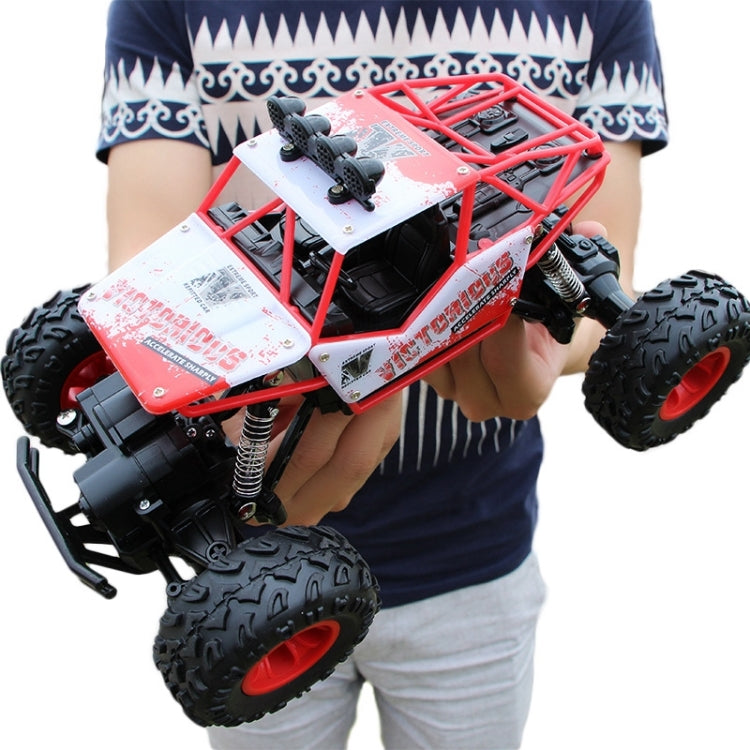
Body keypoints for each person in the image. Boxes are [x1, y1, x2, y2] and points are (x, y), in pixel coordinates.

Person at [97, 2, 667, 748]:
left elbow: (604, 287)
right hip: (267, 575)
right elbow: (144, 264)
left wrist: (556, 339)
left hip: (472, 561)